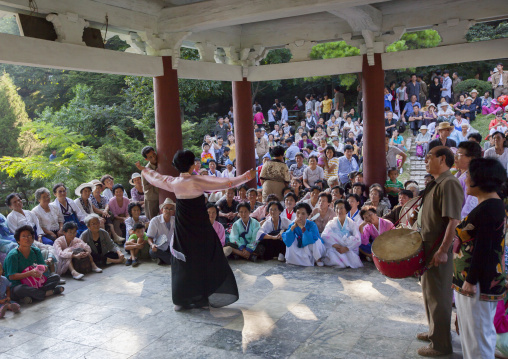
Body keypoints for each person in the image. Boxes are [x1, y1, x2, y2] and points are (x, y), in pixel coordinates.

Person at [136, 150, 254, 310]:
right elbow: (226, 182)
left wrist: (144, 170)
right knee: (205, 259)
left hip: (182, 229)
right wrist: (246, 176)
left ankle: (181, 300)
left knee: (183, 262)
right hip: (200, 228)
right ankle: (202, 296)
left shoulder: (174, 182)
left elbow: (157, 179)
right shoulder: (198, 181)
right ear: (192, 165)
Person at [453, 158, 507, 359]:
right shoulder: (488, 205)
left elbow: (484, 248)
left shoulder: (491, 207)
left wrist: (470, 280)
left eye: (468, 175)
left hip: (478, 285)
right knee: (470, 338)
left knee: (479, 341)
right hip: (472, 283)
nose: (465, 179)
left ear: (479, 179)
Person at [415, 146, 463, 357]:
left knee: (439, 295)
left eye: (429, 157)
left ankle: (441, 344)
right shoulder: (437, 182)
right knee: (429, 293)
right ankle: (436, 332)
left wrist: (443, 250)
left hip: (437, 249)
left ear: (442, 159)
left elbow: (454, 220)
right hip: (427, 248)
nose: (425, 160)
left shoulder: (449, 182)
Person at [3, 226, 63, 303]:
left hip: (36, 282)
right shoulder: (13, 255)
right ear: (18, 240)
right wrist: (29, 273)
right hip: (18, 285)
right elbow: (11, 276)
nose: (27, 238)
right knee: (20, 290)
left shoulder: (36, 251)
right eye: (23, 236)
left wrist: (42, 269)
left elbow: (45, 267)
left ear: (32, 238)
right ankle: (47, 293)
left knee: (56, 277)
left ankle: (31, 296)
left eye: (29, 235)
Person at [322, 199, 362, 268]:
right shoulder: (331, 223)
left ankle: (343, 260)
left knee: (352, 239)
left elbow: (358, 239)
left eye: (341, 208)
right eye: (337, 208)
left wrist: (346, 248)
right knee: (330, 236)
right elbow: (324, 236)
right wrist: (336, 245)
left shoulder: (352, 223)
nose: (339, 210)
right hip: (336, 248)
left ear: (346, 210)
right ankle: (340, 262)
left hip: (348, 248)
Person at [282, 202, 326, 267]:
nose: (300, 216)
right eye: (298, 213)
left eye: (303, 213)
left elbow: (311, 240)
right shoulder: (292, 225)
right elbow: (287, 241)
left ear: (307, 215)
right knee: (290, 242)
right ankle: (296, 260)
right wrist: (293, 228)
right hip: (302, 247)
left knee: (315, 242)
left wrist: (302, 227)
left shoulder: (312, 225)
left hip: (313, 248)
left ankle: (318, 259)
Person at [454, 141, 482, 219]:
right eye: (455, 154)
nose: (455, 157)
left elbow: (469, 207)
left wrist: (458, 223)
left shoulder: (473, 178)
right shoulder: (458, 175)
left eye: (459, 155)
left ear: (472, 158)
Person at [146, 198, 175, 266]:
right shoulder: (155, 220)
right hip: (159, 247)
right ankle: (170, 260)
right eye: (166, 208)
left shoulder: (175, 220)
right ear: (162, 210)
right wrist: (152, 245)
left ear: (173, 211)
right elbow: (149, 237)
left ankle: (162, 259)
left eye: (171, 209)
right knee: (152, 252)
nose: (168, 211)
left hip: (171, 247)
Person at [141, 147, 158, 220]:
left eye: (154, 154)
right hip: (152, 198)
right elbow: (145, 188)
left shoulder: (163, 163)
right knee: (153, 220)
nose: (154, 157)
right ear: (146, 159)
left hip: (162, 195)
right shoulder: (145, 170)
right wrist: (154, 181)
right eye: (150, 157)